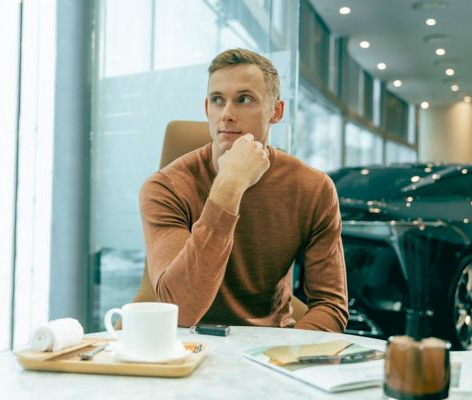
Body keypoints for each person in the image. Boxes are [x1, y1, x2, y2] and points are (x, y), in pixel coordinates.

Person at [139, 48, 349, 332]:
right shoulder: (165, 186)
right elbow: (182, 311)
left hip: (271, 346)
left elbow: (330, 306)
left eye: (244, 99)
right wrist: (229, 186)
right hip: (184, 346)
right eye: (217, 100)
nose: (226, 114)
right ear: (206, 109)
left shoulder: (313, 188)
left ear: (276, 111)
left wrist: (283, 358)